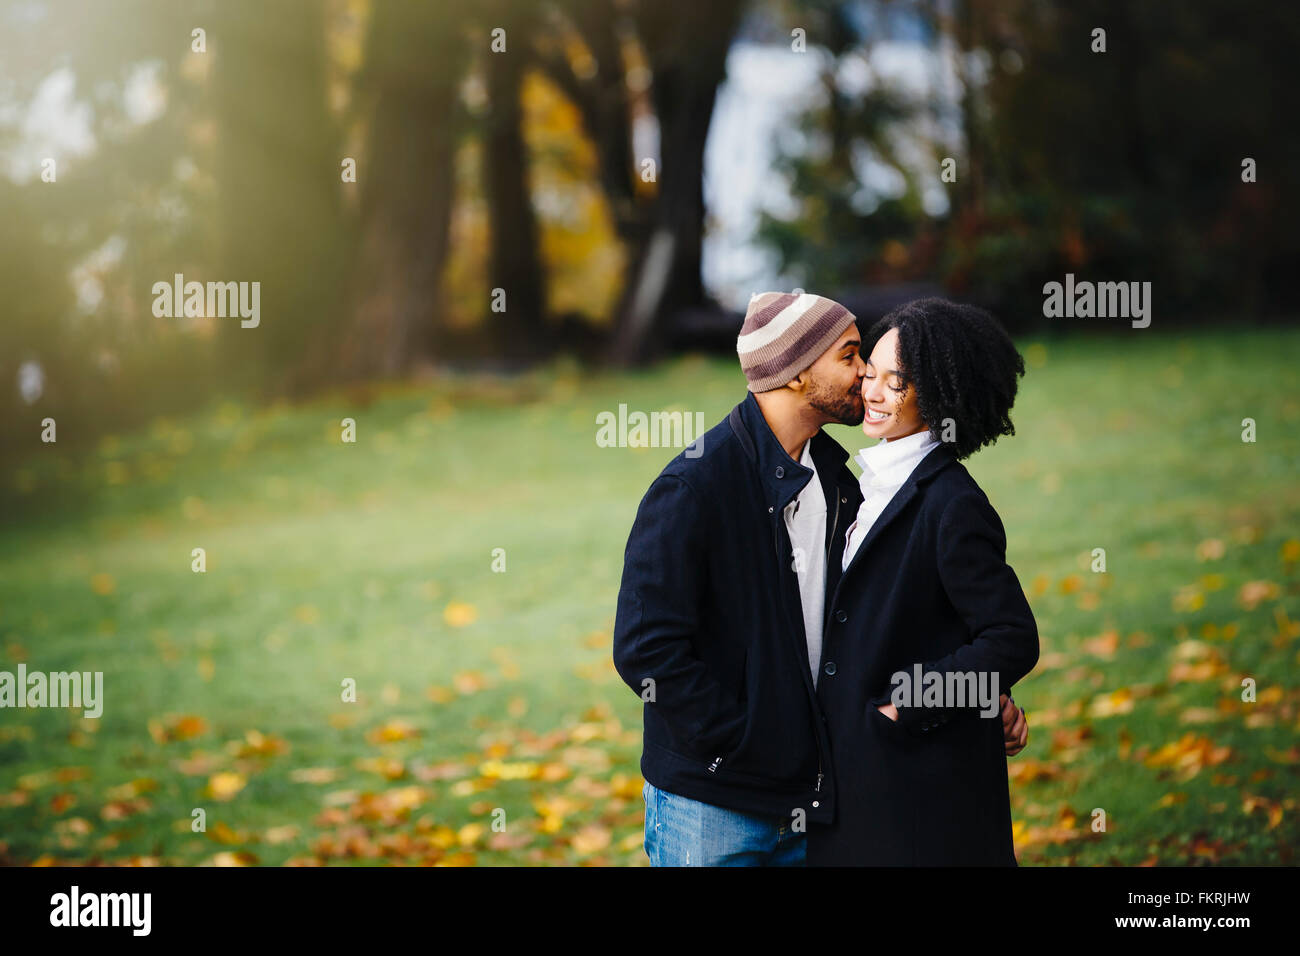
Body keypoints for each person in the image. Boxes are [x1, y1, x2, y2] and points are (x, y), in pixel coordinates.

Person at [613, 291, 1029, 866]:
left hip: (819, 803)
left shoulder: (843, 481)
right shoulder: (694, 487)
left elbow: (902, 612)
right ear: (797, 372)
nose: (863, 377)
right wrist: (744, 742)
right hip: (711, 808)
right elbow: (645, 649)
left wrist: (977, 693)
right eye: (852, 356)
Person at [808, 297, 1038, 866]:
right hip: (852, 782)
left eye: (898, 382)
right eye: (873, 374)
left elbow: (1010, 637)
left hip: (920, 791)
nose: (874, 392)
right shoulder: (865, 483)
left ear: (939, 397)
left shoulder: (952, 503)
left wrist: (906, 706)